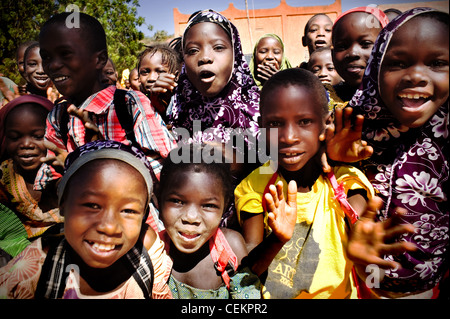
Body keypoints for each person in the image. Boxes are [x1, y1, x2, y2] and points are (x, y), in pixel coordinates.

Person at [328, 8, 449, 299]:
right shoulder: (351, 128)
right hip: (354, 283)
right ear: (377, 69)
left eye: (437, 63)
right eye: (397, 63)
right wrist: (332, 159)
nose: (417, 76)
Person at [235, 68, 376, 298]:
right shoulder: (256, 186)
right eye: (275, 124)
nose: (289, 137)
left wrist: (365, 243)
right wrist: (277, 238)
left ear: (325, 123)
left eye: (304, 121)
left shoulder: (344, 180)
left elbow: (361, 224)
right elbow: (250, 268)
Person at [35, 12, 176, 232]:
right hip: (85, 233)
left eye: (65, 54)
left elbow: (167, 171)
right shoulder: (58, 117)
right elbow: (49, 188)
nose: (53, 65)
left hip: (141, 231)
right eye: (47, 57)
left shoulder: (128, 105)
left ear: (99, 59)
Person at [0, 140, 172, 299]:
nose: (109, 227)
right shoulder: (35, 269)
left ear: (143, 215)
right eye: (92, 205)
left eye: (128, 210)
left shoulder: (148, 251)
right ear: (63, 204)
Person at [157, 143, 262, 298]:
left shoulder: (230, 248)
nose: (191, 218)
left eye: (208, 205)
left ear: (225, 207)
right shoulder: (154, 251)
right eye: (178, 201)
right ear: (159, 200)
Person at [0, 95, 63, 255]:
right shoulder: (4, 176)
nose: (26, 144)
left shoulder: (68, 173)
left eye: (38, 136)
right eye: (15, 137)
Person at [331, 6, 389, 103]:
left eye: (365, 44)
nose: (353, 53)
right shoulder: (323, 100)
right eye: (342, 46)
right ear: (332, 55)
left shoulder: (400, 100)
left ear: (386, 47)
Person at [137, 43, 181, 123]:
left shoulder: (184, 103)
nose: (151, 78)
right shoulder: (136, 105)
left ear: (176, 75)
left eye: (160, 71)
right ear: (138, 77)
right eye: (145, 72)